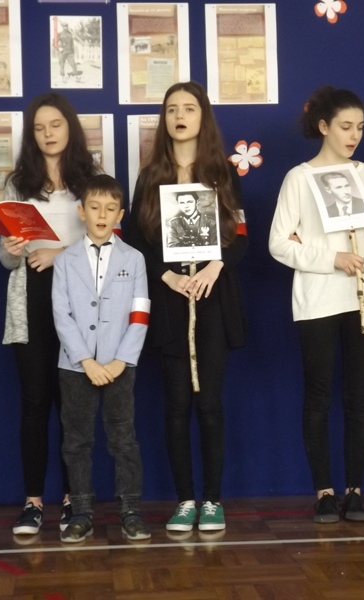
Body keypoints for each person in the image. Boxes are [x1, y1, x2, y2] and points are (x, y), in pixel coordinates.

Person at [125, 81, 247, 533]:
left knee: (210, 403)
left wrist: (216, 265)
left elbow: (242, 234)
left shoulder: (222, 172)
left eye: (189, 108)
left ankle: (212, 500)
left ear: (203, 116)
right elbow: (136, 240)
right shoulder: (150, 175)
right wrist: (167, 276)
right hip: (170, 299)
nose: (180, 116)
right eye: (172, 109)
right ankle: (184, 500)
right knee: (176, 404)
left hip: (213, 297)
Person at [268, 85, 364, 523]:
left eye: (360, 127)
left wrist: (355, 252)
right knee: (318, 396)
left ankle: (355, 490)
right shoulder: (299, 178)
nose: (354, 135)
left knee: (359, 397)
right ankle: (323, 491)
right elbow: (278, 243)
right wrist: (330, 257)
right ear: (323, 126)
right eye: (345, 127)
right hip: (316, 301)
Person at [0, 93, 98, 536]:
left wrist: (60, 252)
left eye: (55, 125)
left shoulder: (91, 179)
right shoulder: (18, 184)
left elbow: (109, 243)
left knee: (73, 408)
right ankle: (33, 502)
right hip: (31, 302)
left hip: (78, 305)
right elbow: (6, 261)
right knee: (35, 403)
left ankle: (75, 500)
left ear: (70, 127)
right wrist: (11, 248)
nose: (48, 134)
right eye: (39, 128)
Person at [52, 174, 151, 543]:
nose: (102, 214)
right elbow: (61, 315)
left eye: (111, 209)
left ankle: (131, 511)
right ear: (82, 212)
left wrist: (122, 359)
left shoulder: (134, 259)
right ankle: (81, 512)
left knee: (123, 439)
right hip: (76, 366)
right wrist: (85, 360)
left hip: (119, 365)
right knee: (77, 440)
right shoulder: (65, 260)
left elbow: (140, 313)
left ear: (120, 215)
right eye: (95, 207)